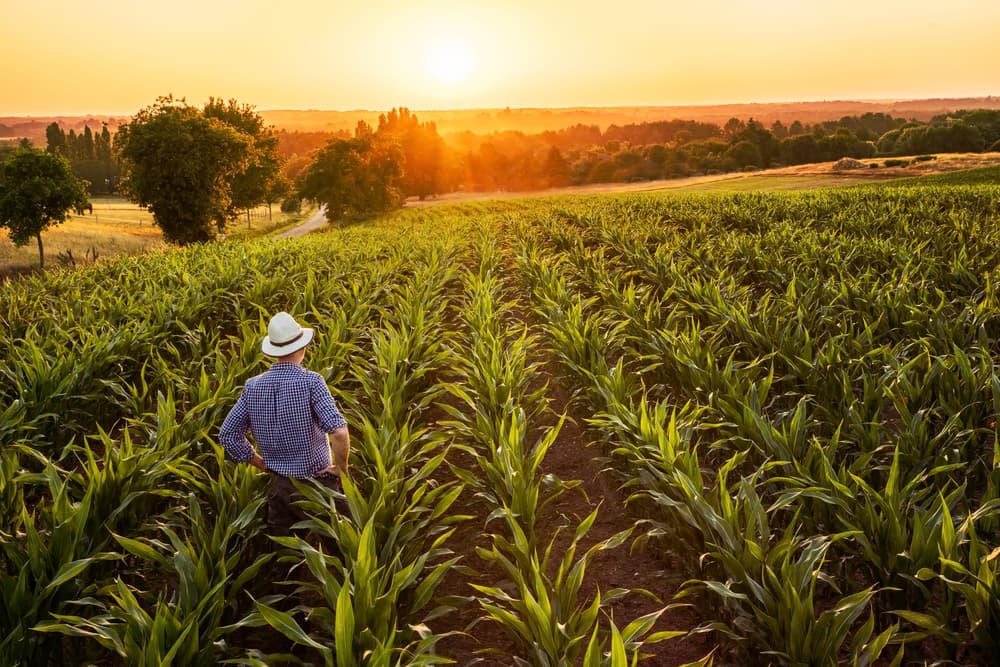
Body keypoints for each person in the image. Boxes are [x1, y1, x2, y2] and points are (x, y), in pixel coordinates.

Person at [219, 311, 351, 537]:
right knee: (343, 546)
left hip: (279, 489)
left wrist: (263, 465)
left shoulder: (253, 387)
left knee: (288, 554)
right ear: (302, 348)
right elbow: (339, 432)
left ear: (274, 351)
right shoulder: (312, 382)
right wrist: (341, 469)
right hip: (317, 486)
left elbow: (228, 435)